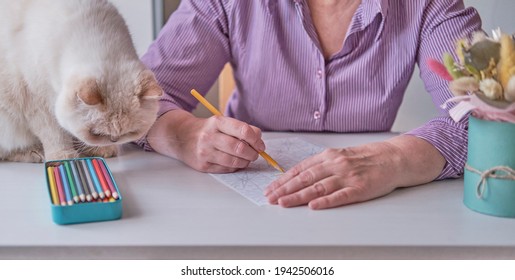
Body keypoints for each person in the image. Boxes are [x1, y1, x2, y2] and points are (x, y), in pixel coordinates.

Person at [137, 0, 481, 209]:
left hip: (372, 209)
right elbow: (134, 97)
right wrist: (184, 135)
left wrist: (395, 159)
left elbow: (484, 117)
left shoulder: (431, 5)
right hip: (243, 200)